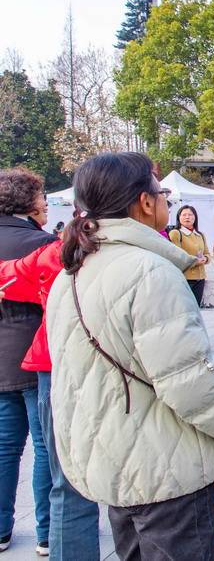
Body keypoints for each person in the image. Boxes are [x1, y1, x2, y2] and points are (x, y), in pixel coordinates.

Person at [46, 152, 214, 560]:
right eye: (161, 192)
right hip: (164, 470)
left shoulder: (76, 270)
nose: (166, 200)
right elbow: (192, 383)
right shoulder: (149, 272)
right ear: (144, 201)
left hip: (117, 458)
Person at [0, 237, 101, 561]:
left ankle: (23, 533)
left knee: (23, 454)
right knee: (57, 457)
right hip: (71, 362)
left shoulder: (55, 249)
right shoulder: (55, 246)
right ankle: (47, 536)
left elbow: (9, 278)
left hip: (42, 360)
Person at [0, 168, 54, 557]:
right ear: (30, 200)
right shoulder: (40, 242)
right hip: (34, 354)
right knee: (45, 446)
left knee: (4, 447)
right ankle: (47, 531)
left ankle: (2, 529)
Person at [168, 205, 210, 307]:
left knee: (197, 310)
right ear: (179, 217)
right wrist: (195, 261)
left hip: (200, 279)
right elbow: (176, 257)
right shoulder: (175, 233)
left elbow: (207, 253)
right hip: (185, 279)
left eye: (190, 215)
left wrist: (206, 258)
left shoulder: (200, 234)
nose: (187, 217)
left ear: (195, 217)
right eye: (184, 215)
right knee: (185, 309)